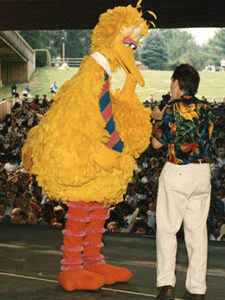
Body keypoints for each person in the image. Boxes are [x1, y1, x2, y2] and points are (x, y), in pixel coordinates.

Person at [151, 64, 214, 300]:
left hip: (178, 171)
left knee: (167, 229)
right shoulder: (207, 108)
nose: (171, 87)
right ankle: (197, 288)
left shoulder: (172, 107)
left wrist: (158, 119)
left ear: (177, 84)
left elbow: (157, 144)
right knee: (197, 232)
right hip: (203, 174)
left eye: (171, 83)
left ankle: (167, 284)